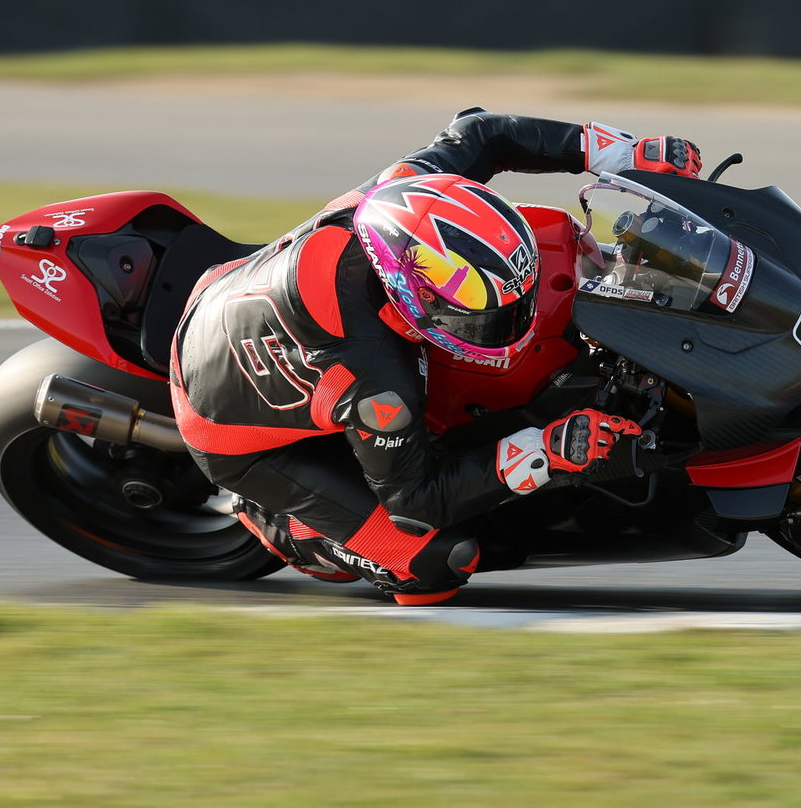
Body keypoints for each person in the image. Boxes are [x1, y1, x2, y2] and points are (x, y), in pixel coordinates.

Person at [168, 108, 703, 604]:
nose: (507, 326)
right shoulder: (374, 376)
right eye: (480, 316)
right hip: (222, 424)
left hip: (227, 286)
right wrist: (546, 449)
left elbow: (483, 131)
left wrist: (621, 152)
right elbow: (417, 500)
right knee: (436, 563)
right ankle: (285, 526)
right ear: (408, 292)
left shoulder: (408, 191)